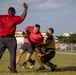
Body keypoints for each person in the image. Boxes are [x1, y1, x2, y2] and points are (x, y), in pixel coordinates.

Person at [0, 2, 28, 73]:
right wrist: (25, 9)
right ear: (13, 12)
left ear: (8, 12)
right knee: (12, 55)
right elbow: (22, 17)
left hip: (2, 39)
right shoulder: (14, 18)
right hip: (10, 39)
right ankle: (12, 70)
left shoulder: (1, 17)